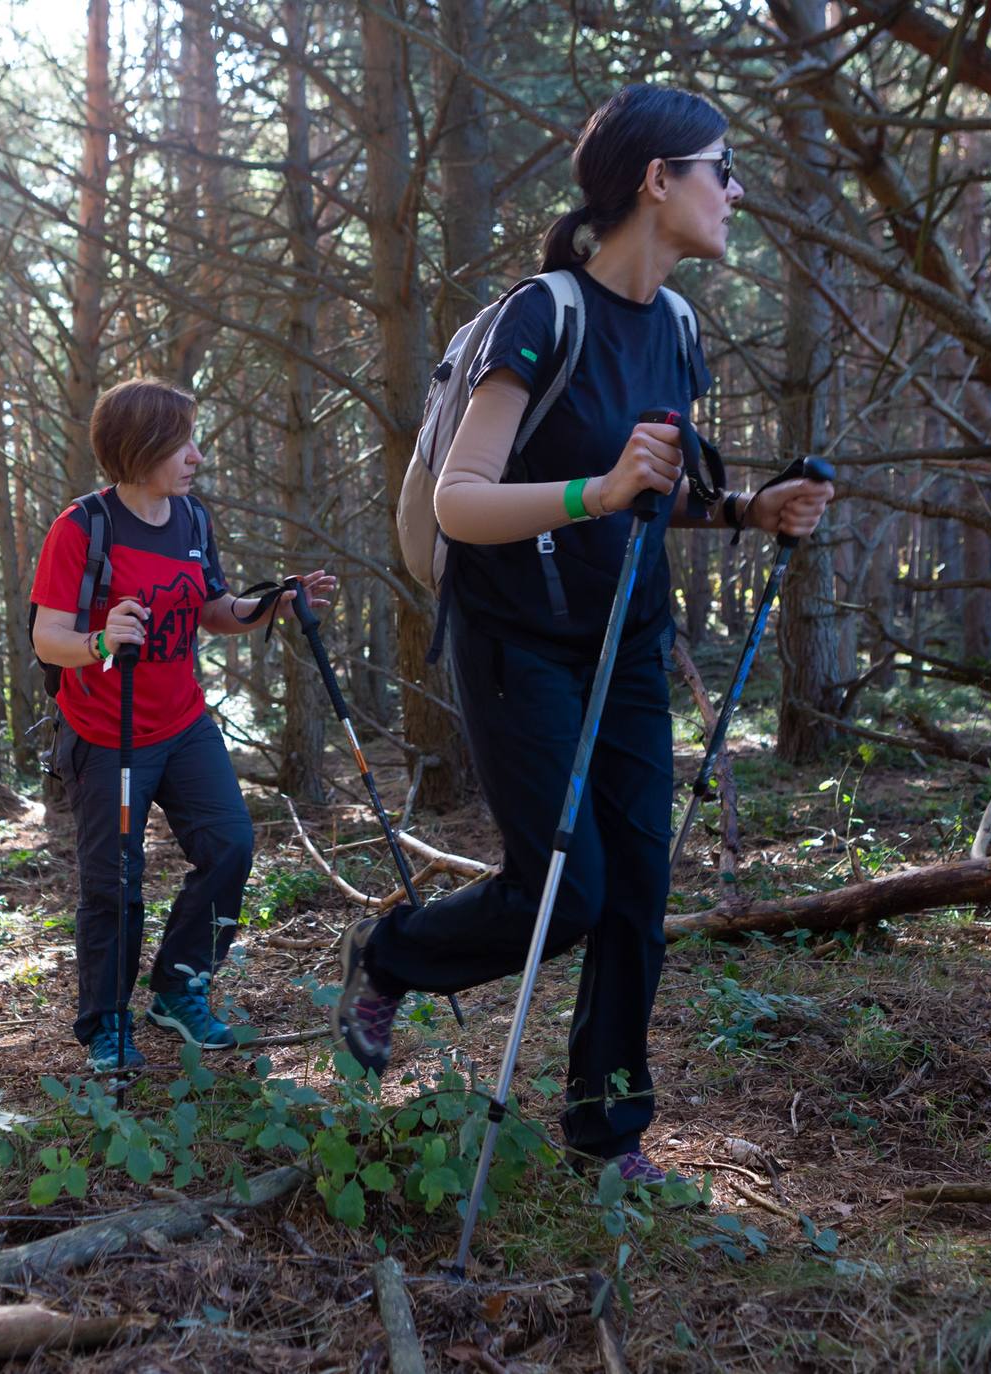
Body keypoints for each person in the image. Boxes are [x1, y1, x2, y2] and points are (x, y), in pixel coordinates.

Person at [331, 86, 835, 1182]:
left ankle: (608, 1140)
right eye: (722, 166)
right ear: (658, 180)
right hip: (516, 642)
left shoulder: (679, 330)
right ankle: (391, 954)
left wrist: (750, 509)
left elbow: (652, 495)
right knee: (564, 891)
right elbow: (464, 502)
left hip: (628, 639)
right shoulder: (541, 316)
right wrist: (596, 495)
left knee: (637, 899)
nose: (735, 189)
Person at [30, 378, 337, 1073]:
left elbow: (210, 609)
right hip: (109, 732)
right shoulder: (82, 527)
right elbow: (48, 637)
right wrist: (101, 641)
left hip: (182, 722)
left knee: (229, 844)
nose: (196, 457)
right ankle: (106, 1020)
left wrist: (274, 605)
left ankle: (178, 985)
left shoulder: (190, 520)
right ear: (140, 448)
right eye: (182, 443)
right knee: (114, 884)